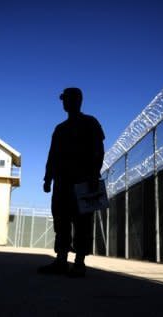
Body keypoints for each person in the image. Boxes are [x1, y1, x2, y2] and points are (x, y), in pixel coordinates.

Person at [38, 87, 105, 278]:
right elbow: (53, 155)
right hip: (62, 182)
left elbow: (98, 150)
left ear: (77, 101)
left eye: (67, 99)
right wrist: (48, 178)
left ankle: (79, 263)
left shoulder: (90, 123)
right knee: (61, 221)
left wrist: (94, 174)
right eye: (64, 100)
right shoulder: (60, 129)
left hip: (83, 181)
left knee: (82, 222)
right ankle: (61, 260)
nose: (64, 103)